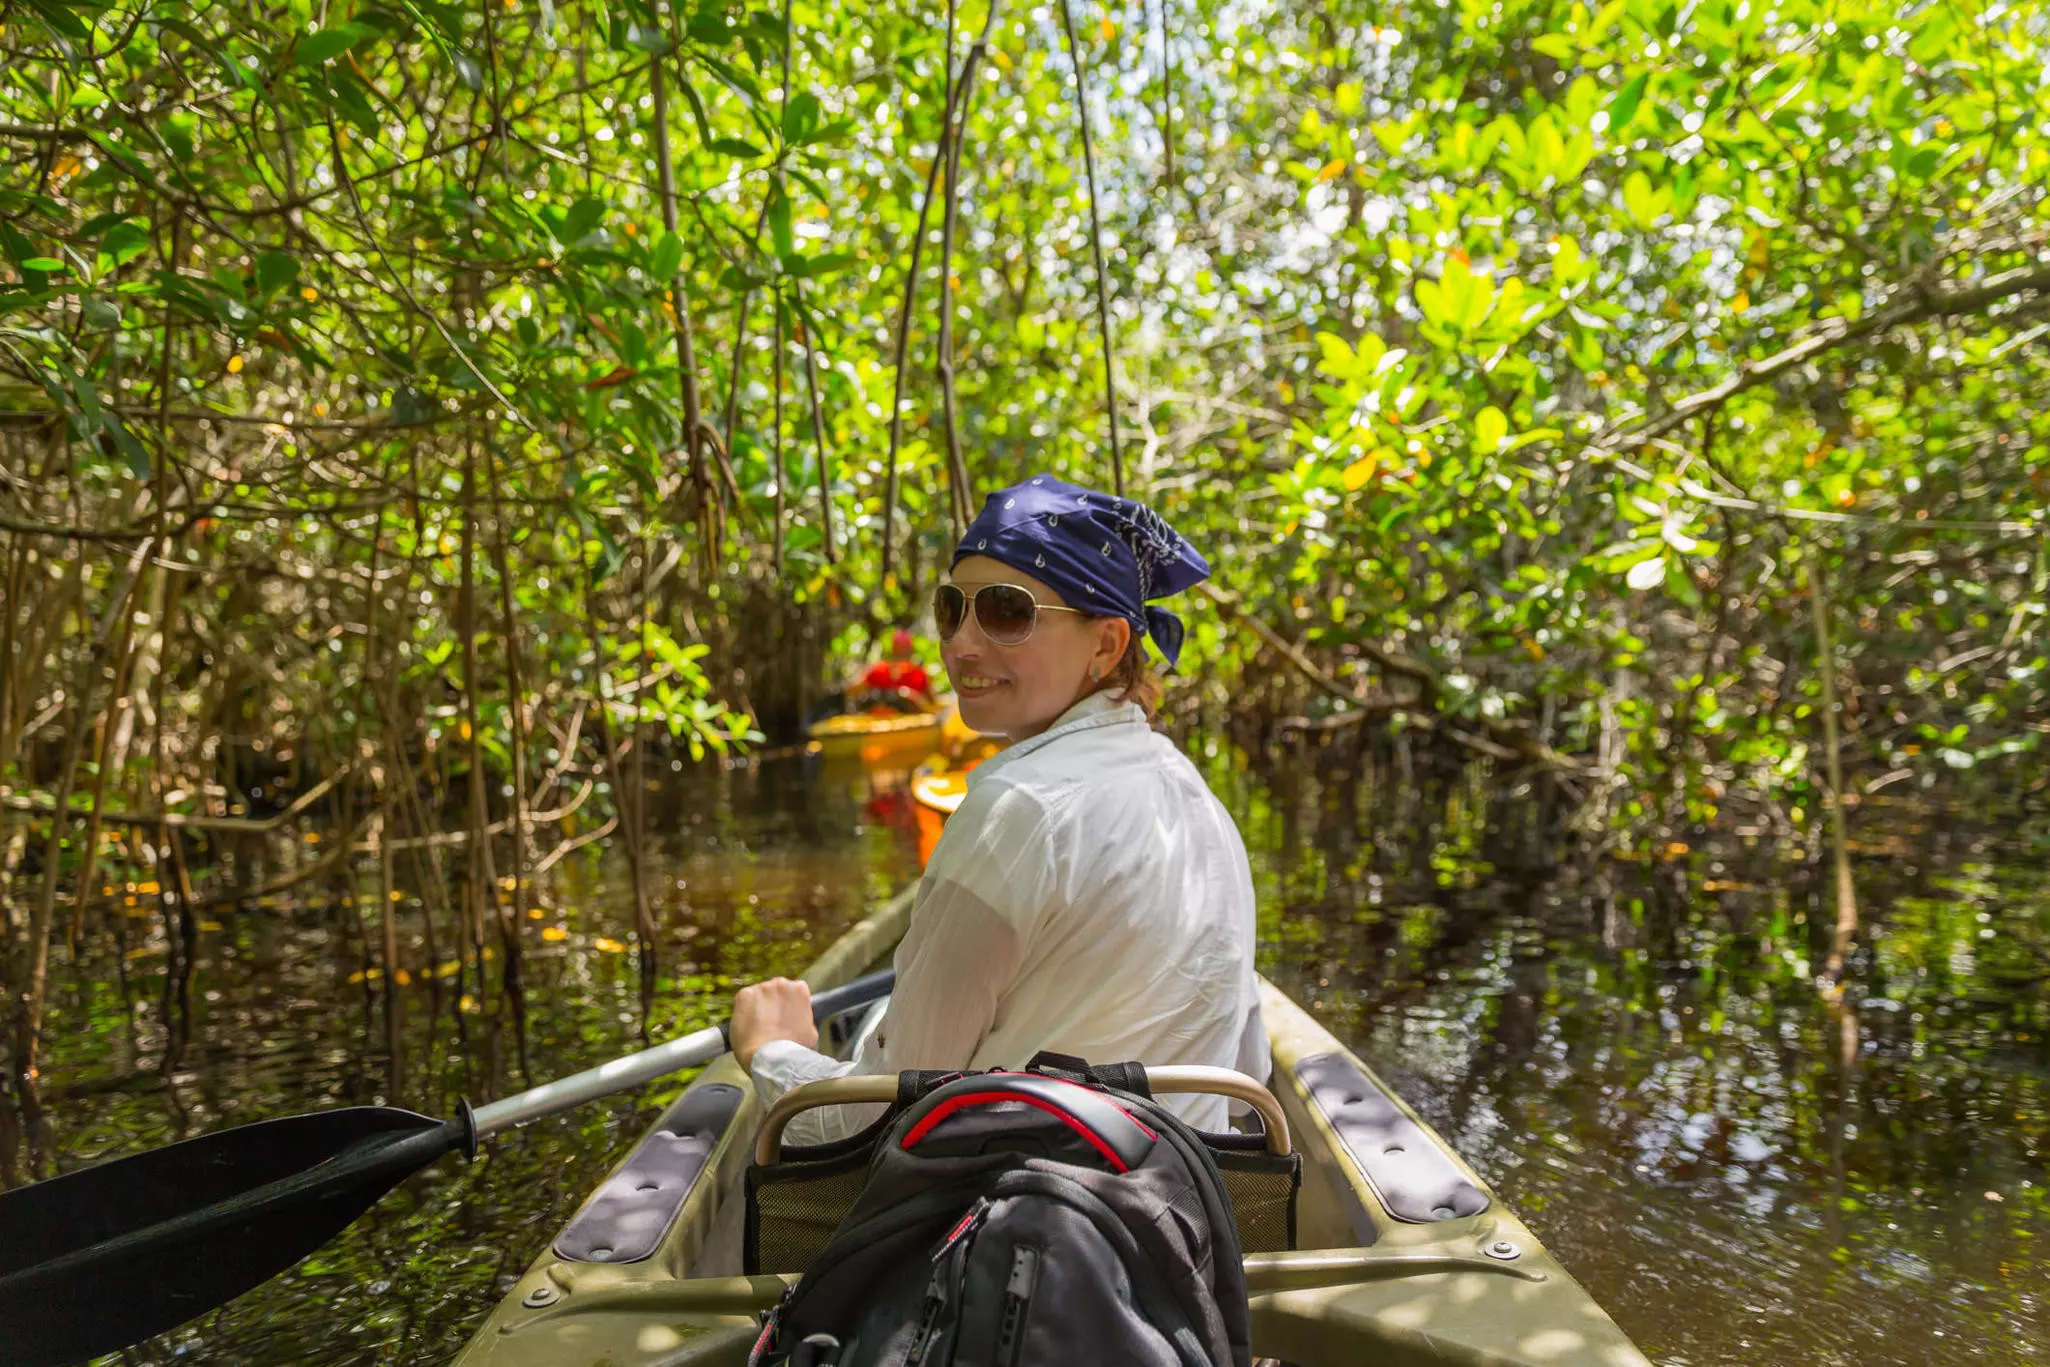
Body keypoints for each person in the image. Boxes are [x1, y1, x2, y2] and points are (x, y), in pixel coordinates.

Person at [732, 473, 1265, 1141]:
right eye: (953, 608)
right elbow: (1247, 1072)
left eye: (1007, 612)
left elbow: (873, 1118)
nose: (961, 643)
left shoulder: (1016, 807)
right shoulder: (1203, 805)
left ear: (1106, 644)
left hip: (1004, 1219)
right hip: (1180, 1211)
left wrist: (771, 1050)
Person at [853, 628, 933, 707]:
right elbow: (853, 690)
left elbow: (932, 702)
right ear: (911, 649)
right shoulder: (878, 670)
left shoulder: (919, 674)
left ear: (893, 649)